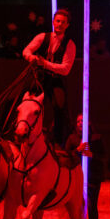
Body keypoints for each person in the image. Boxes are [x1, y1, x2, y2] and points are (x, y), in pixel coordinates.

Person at [23, 8, 76, 147]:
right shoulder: (42, 37)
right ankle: (22, 132)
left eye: (63, 22)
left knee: (60, 108)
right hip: (39, 77)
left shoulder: (70, 45)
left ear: (67, 25)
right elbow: (26, 51)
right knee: (25, 101)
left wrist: (45, 64)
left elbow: (65, 69)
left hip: (56, 80)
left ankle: (59, 142)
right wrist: (32, 58)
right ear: (53, 22)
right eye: (57, 21)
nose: (59, 24)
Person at [65, 113, 106, 219]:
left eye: (83, 120)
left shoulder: (96, 138)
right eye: (78, 121)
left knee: (92, 204)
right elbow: (65, 156)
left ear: (89, 122)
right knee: (76, 204)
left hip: (93, 176)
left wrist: (91, 154)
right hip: (77, 176)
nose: (80, 123)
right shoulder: (72, 138)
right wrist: (77, 150)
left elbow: (103, 156)